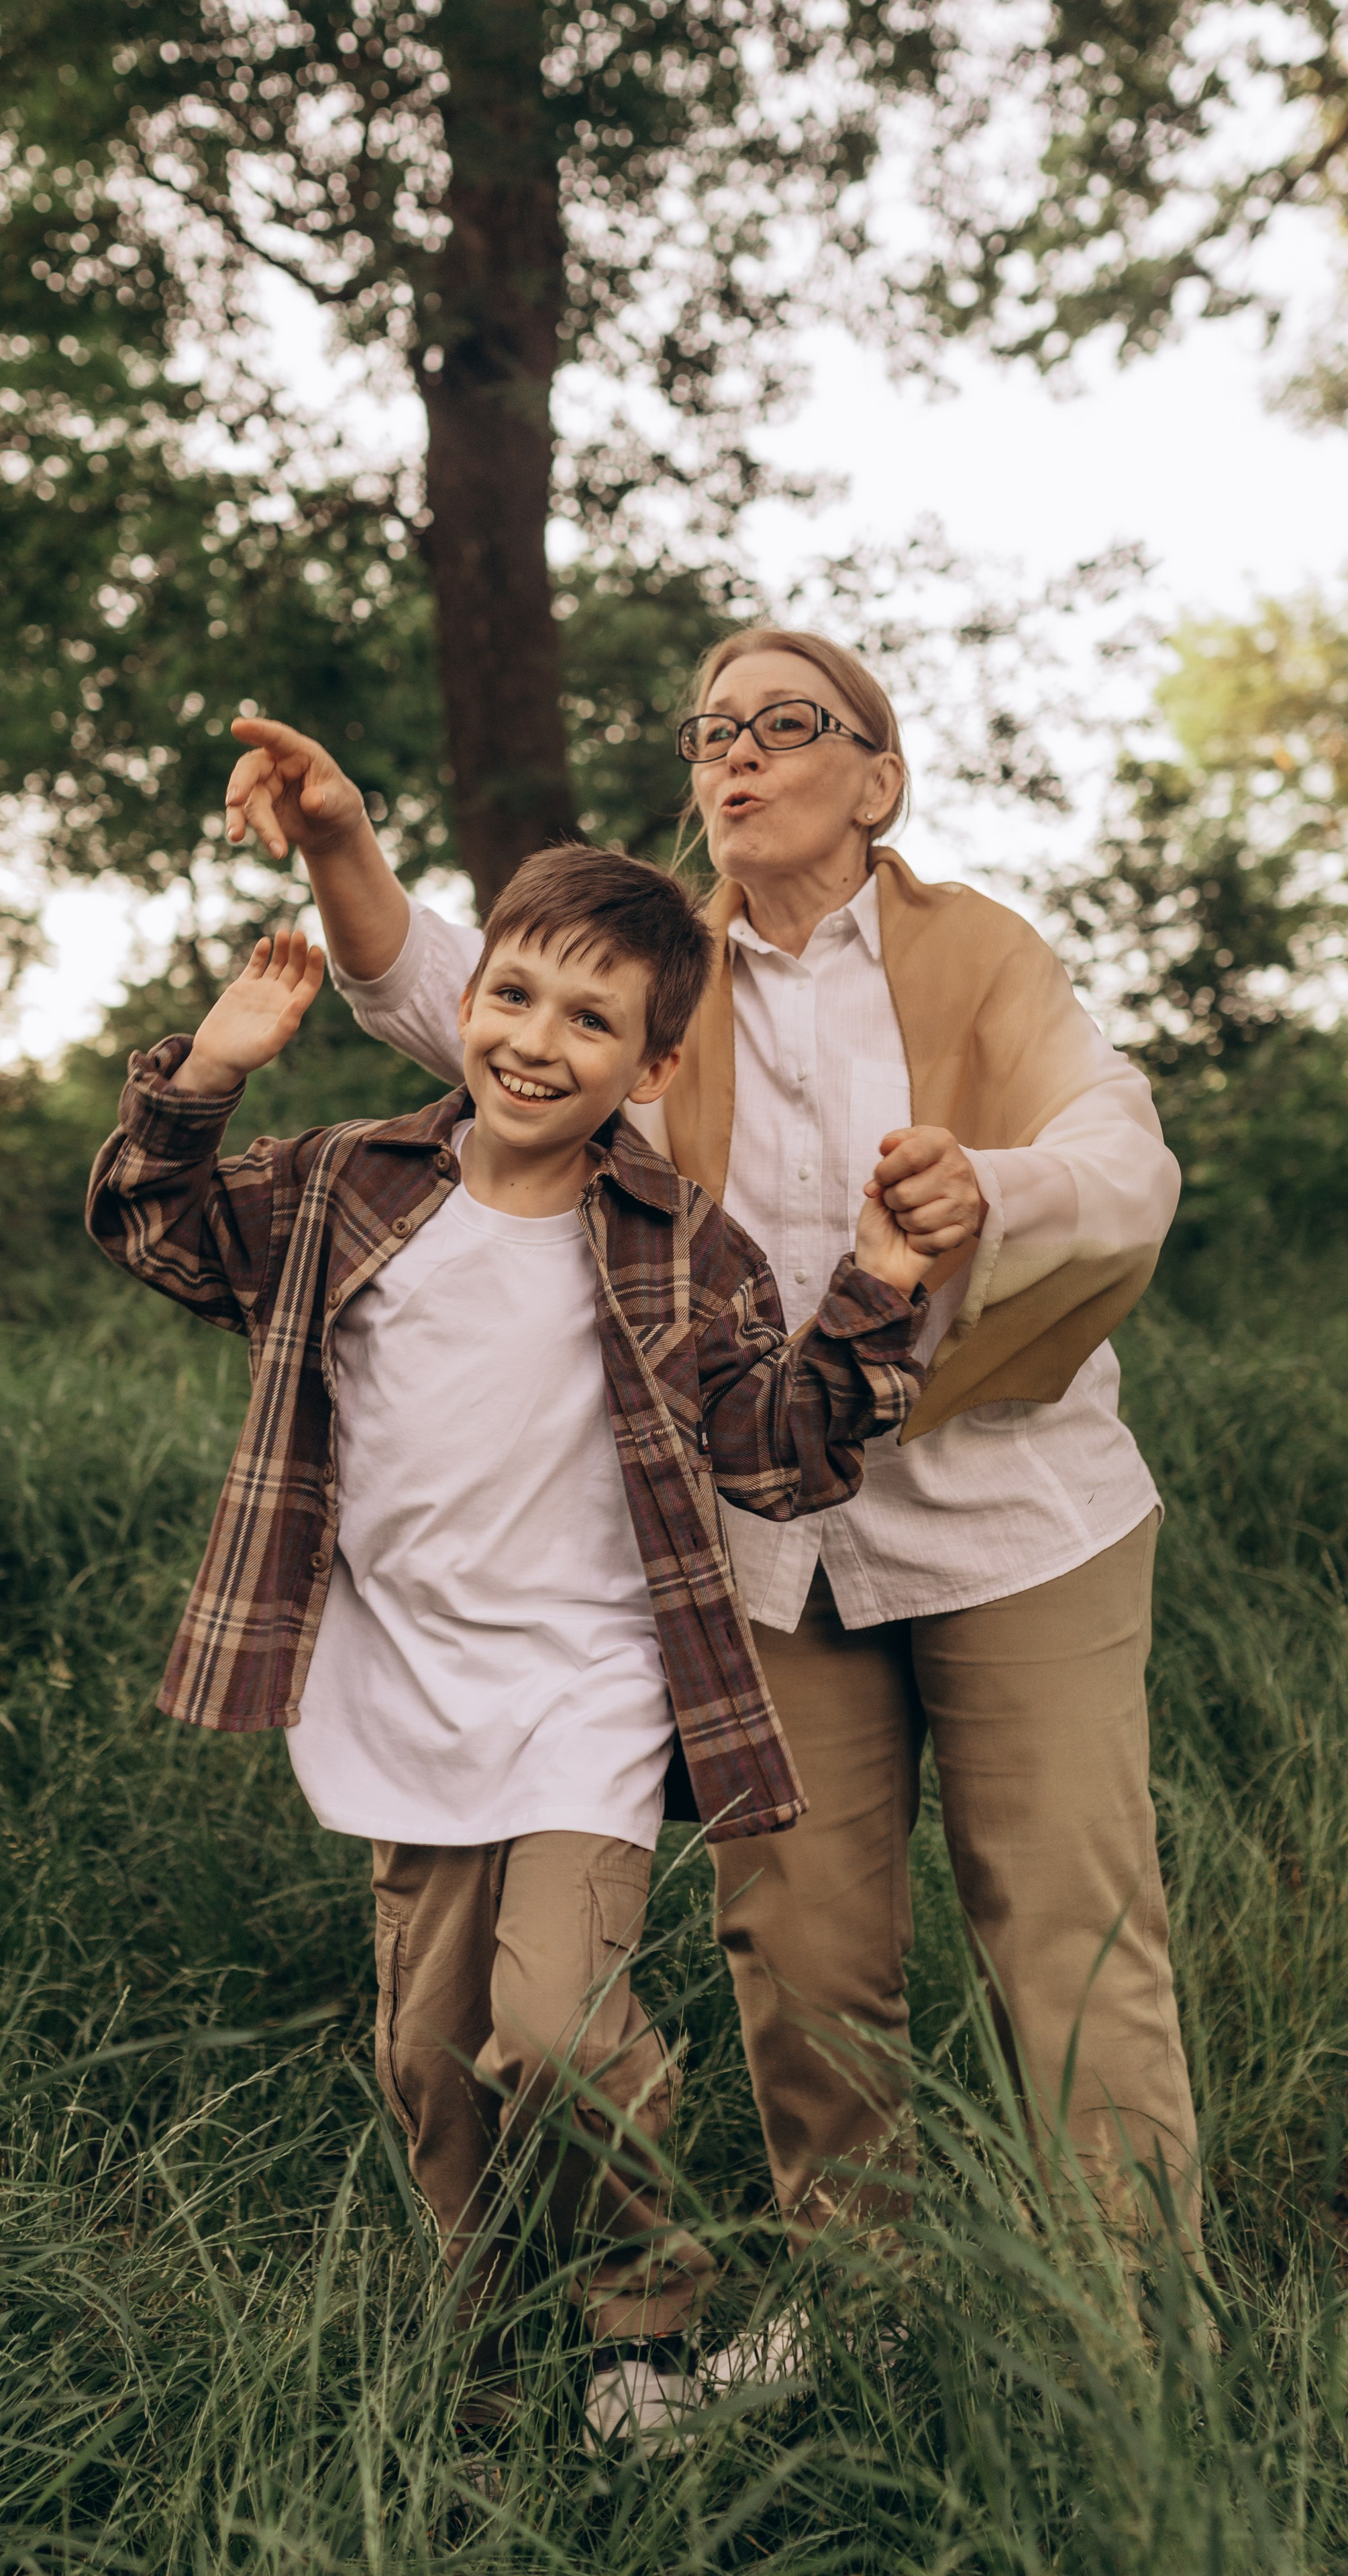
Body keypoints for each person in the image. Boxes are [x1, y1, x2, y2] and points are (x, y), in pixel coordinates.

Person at [221, 634, 1202, 2367]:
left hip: (1018, 1513)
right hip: (783, 1534)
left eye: (787, 726)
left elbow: (1125, 1151)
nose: (737, 755)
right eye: (713, 730)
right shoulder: (659, 993)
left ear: (876, 778)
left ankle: (1137, 2344)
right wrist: (338, 844)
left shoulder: (984, 952)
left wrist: (995, 1184)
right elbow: (452, 986)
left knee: (1066, 1930)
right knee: (807, 1961)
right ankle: (864, 2307)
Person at [87, 847, 929, 2445]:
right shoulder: (351, 1185)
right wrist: (206, 1072)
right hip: (402, 1683)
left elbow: (774, 1448)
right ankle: (475, 2352)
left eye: (591, 1021)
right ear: (465, 1002)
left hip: (587, 1693)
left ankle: (641, 2329)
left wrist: (875, 1287)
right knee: (429, 2059)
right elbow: (157, 1229)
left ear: (650, 1066)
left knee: (551, 2031)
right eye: (515, 996)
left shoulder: (682, 1244)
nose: (538, 1041)